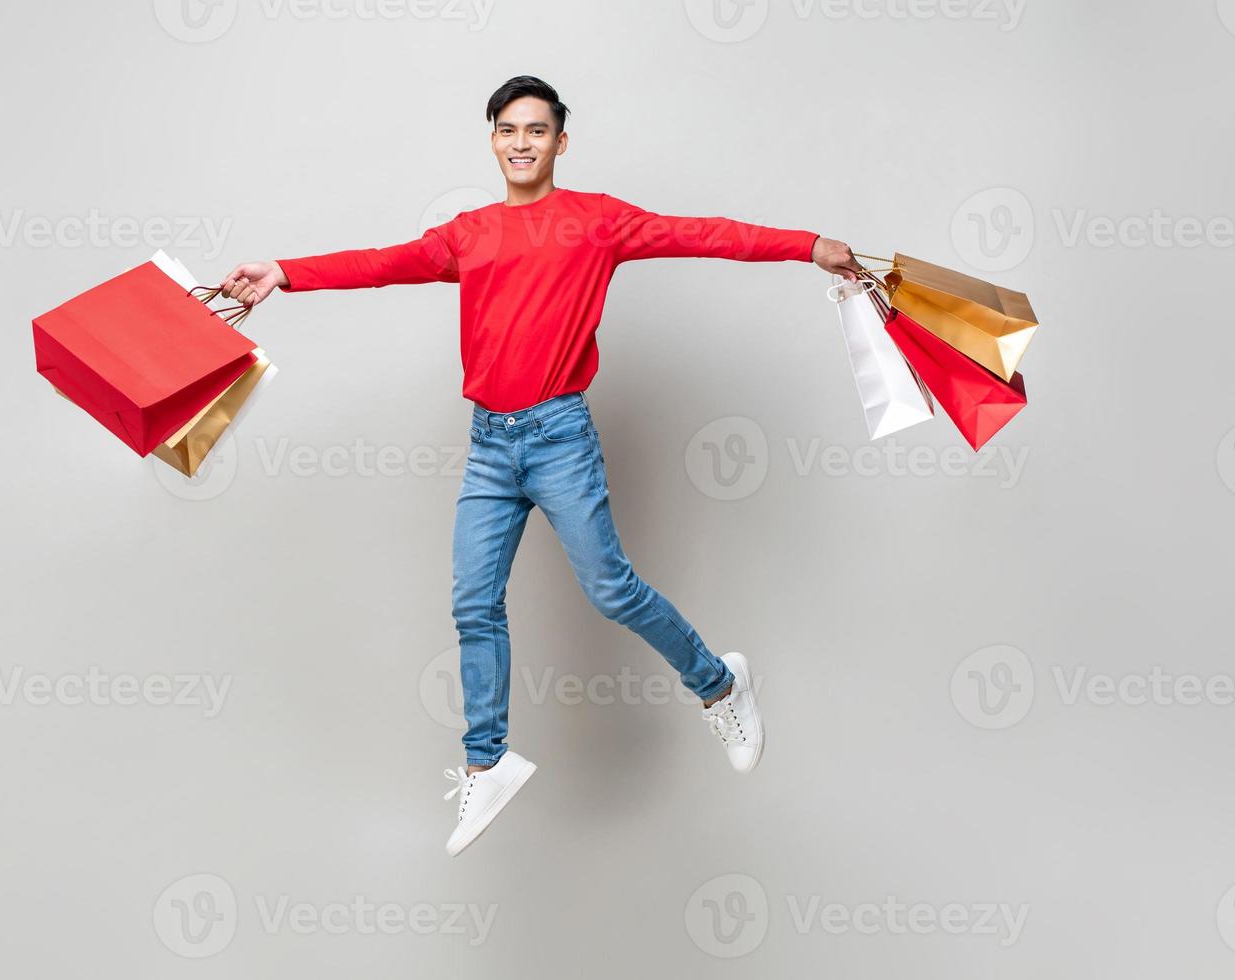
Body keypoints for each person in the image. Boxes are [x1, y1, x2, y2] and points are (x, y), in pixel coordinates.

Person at [220, 75, 862, 857]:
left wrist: (808, 247)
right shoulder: (469, 232)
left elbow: (706, 233)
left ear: (561, 141)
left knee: (610, 588)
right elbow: (382, 262)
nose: (521, 142)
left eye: (536, 130)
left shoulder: (597, 221)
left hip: (559, 436)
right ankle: (486, 761)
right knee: (472, 603)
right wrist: (284, 272)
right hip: (491, 444)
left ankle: (719, 683)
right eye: (507, 129)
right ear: (492, 141)